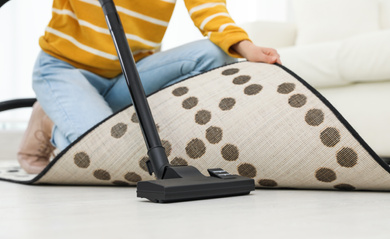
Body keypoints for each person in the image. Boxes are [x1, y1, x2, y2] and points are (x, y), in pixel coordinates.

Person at [17, 0, 281, 174]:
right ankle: (51, 123)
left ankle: (110, 120)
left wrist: (247, 48)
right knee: (104, 157)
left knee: (215, 55)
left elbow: (208, 6)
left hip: (130, 73)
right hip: (66, 69)